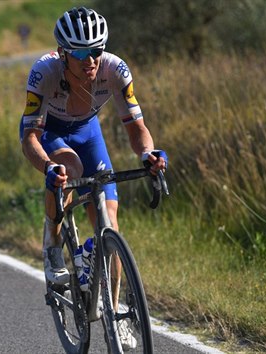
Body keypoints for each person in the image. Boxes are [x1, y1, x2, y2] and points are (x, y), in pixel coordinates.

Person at [19, 7, 167, 348]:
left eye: (96, 50)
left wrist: (147, 154)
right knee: (68, 169)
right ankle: (53, 244)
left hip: (88, 133)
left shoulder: (116, 69)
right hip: (49, 134)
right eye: (81, 53)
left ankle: (115, 312)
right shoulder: (44, 73)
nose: (91, 60)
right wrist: (47, 168)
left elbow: (136, 127)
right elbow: (29, 137)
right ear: (63, 53)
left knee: (109, 224)